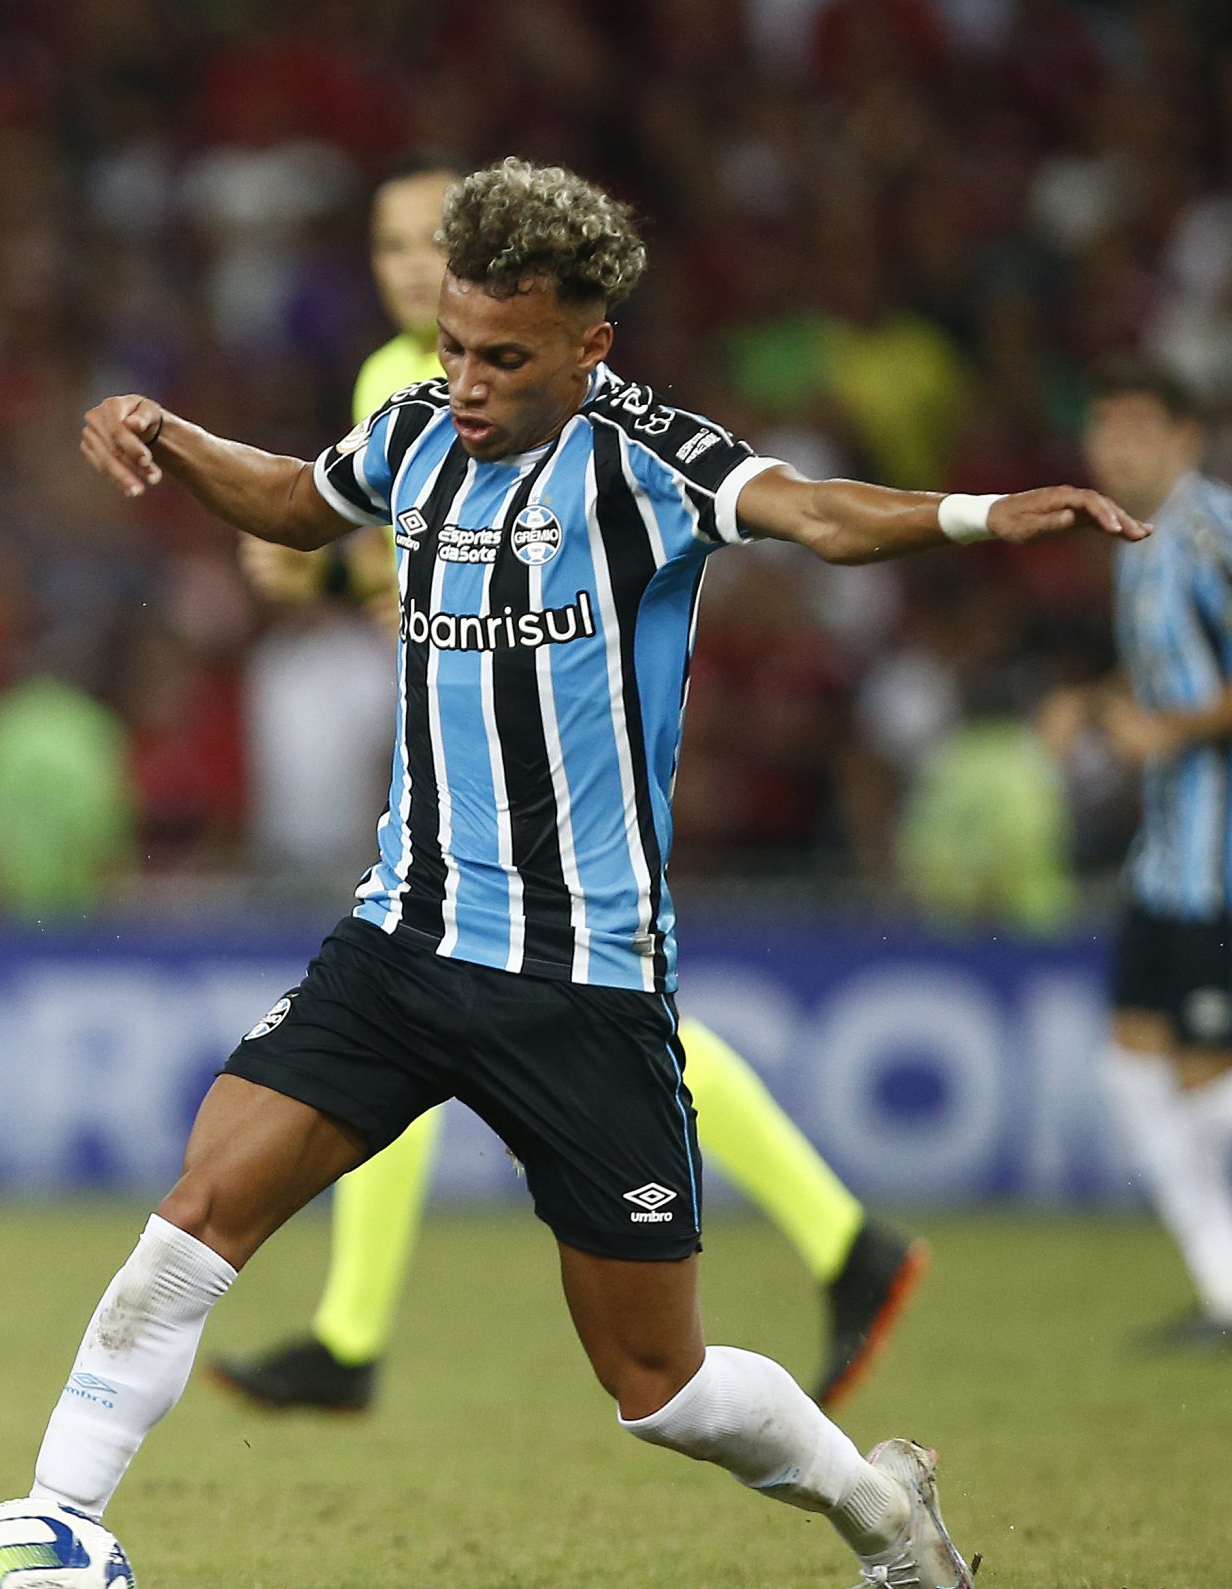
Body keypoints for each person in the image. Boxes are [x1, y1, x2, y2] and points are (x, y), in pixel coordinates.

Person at [0, 159, 1151, 1589]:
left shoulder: (646, 463)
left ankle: (879, 1505)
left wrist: (980, 510)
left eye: (505, 357)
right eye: (457, 346)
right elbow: (293, 496)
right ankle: (36, 1558)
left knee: (657, 1382)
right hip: (402, 941)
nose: (464, 382)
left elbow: (812, 512)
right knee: (193, 1221)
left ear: (588, 348)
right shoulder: (412, 431)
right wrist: (168, 434)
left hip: (584, 982)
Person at [217, 157, 927, 1418]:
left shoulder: (472, 388)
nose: (400, 270)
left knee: (528, 1006)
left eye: (415, 246)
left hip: (522, 789)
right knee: (440, 1011)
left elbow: (422, 579)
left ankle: (352, 1334)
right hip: (455, 787)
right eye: (382, 248)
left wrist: (319, 582)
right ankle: (352, 1329)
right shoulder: (412, 384)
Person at [1052, 359, 1232, 1345]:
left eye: (1139, 429)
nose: (1116, 447)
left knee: (1212, 1098)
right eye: (1104, 427)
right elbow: (1172, 671)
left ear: (1185, 441)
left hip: (1231, 859)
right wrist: (1092, 702)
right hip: (1168, 860)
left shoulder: (1213, 530)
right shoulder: (1140, 539)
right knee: (1130, 1075)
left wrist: (1174, 735)